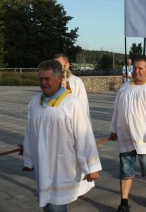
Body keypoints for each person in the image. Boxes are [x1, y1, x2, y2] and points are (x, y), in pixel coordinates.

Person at [23, 60, 102, 212]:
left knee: (56, 207)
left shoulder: (71, 103)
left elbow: (84, 135)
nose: (43, 83)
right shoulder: (34, 103)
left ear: (59, 78)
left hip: (63, 166)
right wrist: (28, 159)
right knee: (47, 206)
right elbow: (29, 133)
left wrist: (91, 167)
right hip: (43, 166)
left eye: (47, 79)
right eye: (41, 79)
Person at [110, 57, 146, 212]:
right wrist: (113, 129)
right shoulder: (125, 88)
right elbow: (116, 110)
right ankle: (123, 203)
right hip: (126, 135)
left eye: (141, 68)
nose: (137, 71)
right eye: (135, 68)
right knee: (126, 170)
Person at [53, 53, 94, 195]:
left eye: (61, 64)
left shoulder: (76, 82)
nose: (59, 67)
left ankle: (77, 189)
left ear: (67, 65)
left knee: (75, 160)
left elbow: (82, 105)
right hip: (57, 129)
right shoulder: (53, 81)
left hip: (73, 127)